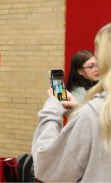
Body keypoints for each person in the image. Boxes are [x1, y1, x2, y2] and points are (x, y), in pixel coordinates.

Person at [32, 22, 111, 182]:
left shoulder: (94, 112)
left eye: (97, 52)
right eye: (90, 66)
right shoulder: (92, 109)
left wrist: (52, 108)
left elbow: (47, 168)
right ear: (80, 71)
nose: (96, 65)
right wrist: (80, 111)